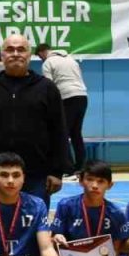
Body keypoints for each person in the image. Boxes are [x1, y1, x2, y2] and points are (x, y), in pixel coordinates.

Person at [0, 34, 70, 206]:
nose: (15, 54)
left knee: (35, 221)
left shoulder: (47, 87)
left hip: (37, 175)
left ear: (29, 55)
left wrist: (57, 171)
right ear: (1, 55)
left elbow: (59, 130)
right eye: (10, 50)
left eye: (21, 50)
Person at [37, 43, 89, 172]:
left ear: (42, 52)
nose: (41, 59)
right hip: (82, 96)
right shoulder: (71, 59)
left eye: (39, 56)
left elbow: (49, 86)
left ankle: (68, 168)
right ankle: (81, 166)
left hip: (66, 97)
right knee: (76, 133)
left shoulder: (48, 62)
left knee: (62, 134)